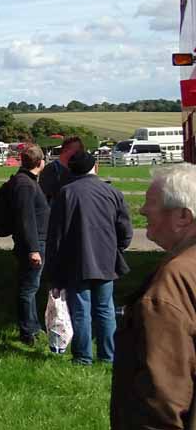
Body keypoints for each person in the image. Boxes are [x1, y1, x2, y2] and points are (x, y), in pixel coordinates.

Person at [111, 163, 196, 429]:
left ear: (183, 216)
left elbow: (162, 404)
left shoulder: (172, 284)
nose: (142, 209)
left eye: (152, 203)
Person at [44, 149, 132, 365]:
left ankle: (83, 357)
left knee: (81, 311)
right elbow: (125, 230)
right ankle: (108, 356)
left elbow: (54, 236)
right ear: (95, 167)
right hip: (106, 260)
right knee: (105, 310)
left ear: (71, 170)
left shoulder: (64, 194)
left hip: (75, 261)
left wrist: (54, 270)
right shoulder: (111, 192)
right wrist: (117, 249)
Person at [7, 143, 49, 344]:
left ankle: (32, 327)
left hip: (35, 242)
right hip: (32, 244)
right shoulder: (25, 184)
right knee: (28, 288)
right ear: (40, 162)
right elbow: (26, 219)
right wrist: (33, 249)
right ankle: (27, 332)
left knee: (31, 287)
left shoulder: (27, 181)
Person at [39, 135, 84, 203]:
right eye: (76, 151)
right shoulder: (50, 169)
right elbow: (43, 197)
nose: (79, 154)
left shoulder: (77, 169)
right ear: (65, 150)